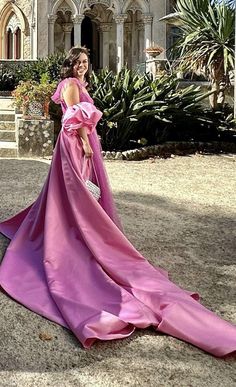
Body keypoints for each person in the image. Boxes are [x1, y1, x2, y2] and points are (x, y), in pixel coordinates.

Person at [0, 47, 236, 357]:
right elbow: (74, 119)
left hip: (81, 142)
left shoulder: (78, 83)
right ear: (70, 65)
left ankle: (76, 229)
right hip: (76, 144)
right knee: (80, 193)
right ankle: (77, 235)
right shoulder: (71, 84)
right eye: (79, 62)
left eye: (86, 62)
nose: (83, 66)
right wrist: (85, 145)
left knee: (82, 193)